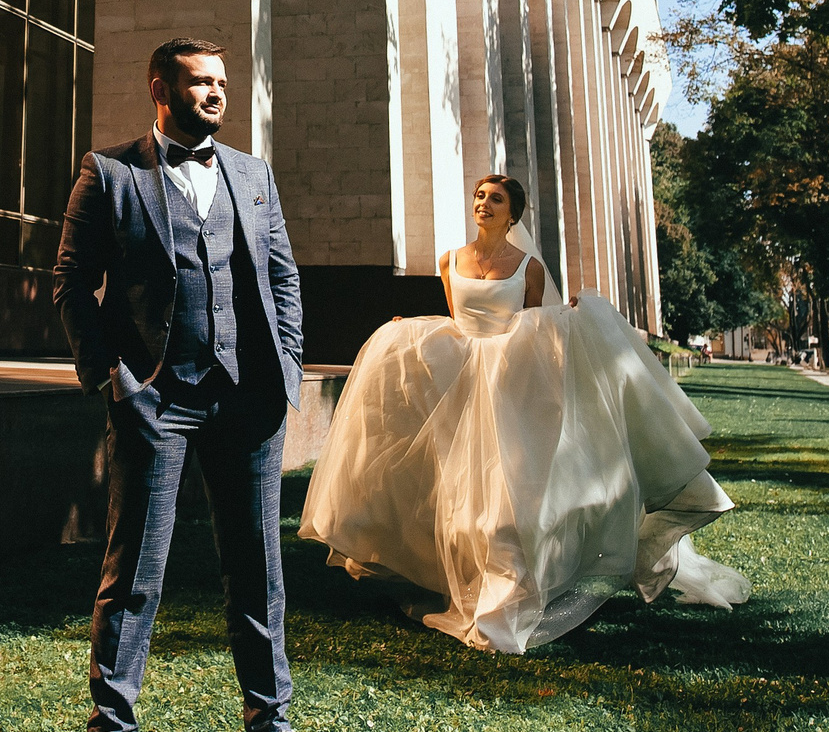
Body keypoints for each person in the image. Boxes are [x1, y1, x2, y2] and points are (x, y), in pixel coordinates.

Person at [298, 173, 751, 653]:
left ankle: (504, 596)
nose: (484, 204)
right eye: (479, 196)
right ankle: (461, 583)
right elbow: (456, 323)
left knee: (506, 498)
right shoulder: (450, 261)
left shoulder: (528, 266)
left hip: (508, 384)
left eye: (495, 199)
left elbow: (535, 328)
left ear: (512, 214)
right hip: (462, 382)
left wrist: (570, 317)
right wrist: (408, 331)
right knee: (458, 495)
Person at [52, 37, 328, 732]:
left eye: (222, 83)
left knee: (259, 574)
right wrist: (115, 380)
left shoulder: (254, 175)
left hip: (248, 401)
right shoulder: (110, 173)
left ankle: (271, 728)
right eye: (201, 82)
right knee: (133, 577)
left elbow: (283, 279)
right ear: (160, 89)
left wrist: (286, 371)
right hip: (156, 401)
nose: (216, 94)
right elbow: (71, 283)